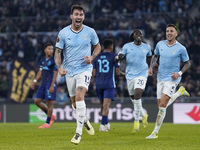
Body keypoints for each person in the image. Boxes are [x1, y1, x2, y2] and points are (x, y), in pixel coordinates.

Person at [54, 4, 101, 145]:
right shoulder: (63, 33)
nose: (78, 17)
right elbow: (58, 52)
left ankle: (78, 133)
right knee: (75, 104)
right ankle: (84, 119)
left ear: (83, 17)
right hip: (69, 71)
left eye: (81, 15)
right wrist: (59, 67)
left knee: (80, 96)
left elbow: (98, 46)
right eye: (76, 14)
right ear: (71, 16)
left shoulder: (90, 32)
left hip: (84, 69)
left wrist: (92, 58)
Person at [146, 24, 191, 139]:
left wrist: (179, 73)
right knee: (161, 106)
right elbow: (155, 56)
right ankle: (179, 92)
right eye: (167, 31)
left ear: (176, 34)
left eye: (171, 31)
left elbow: (188, 63)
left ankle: (155, 132)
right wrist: (151, 67)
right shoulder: (160, 44)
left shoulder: (181, 48)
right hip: (160, 78)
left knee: (162, 105)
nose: (169, 33)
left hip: (172, 79)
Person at [115, 29, 151, 133]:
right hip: (130, 75)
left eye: (141, 33)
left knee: (137, 95)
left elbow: (149, 58)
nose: (139, 35)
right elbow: (118, 57)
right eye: (137, 34)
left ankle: (136, 122)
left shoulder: (147, 47)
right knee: (134, 99)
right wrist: (119, 57)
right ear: (133, 36)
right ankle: (143, 115)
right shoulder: (127, 46)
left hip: (142, 74)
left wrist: (152, 67)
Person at [93, 39, 125, 132]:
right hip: (109, 84)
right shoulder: (114, 57)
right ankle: (102, 125)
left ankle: (106, 123)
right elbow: (118, 73)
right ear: (111, 47)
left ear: (103, 47)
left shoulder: (96, 57)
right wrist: (125, 74)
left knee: (102, 105)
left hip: (99, 84)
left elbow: (94, 74)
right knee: (106, 105)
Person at [31, 42, 57, 128]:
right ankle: (51, 116)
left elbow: (55, 73)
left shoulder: (54, 60)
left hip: (50, 83)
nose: (51, 51)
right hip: (43, 83)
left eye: (52, 49)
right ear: (45, 50)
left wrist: (52, 85)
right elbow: (40, 71)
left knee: (49, 103)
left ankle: (47, 123)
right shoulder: (42, 59)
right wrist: (35, 81)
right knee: (37, 101)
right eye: (49, 49)